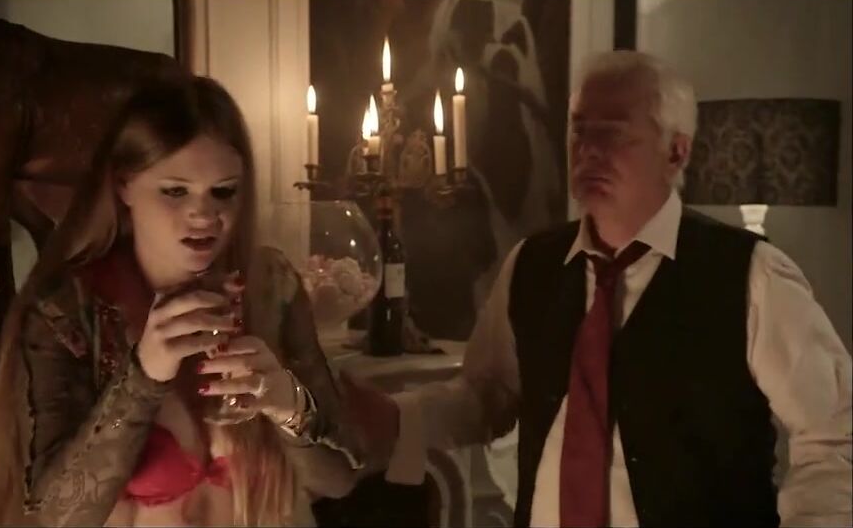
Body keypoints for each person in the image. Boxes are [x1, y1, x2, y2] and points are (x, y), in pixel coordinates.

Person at [342, 50, 852, 527]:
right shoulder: (533, 265)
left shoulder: (750, 276)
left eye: (611, 134)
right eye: (579, 130)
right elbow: (485, 396)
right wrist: (399, 418)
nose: (587, 150)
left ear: (676, 152)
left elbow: (836, 435)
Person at [0, 76, 363, 527]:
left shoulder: (269, 287)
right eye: (176, 191)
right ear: (124, 185)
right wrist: (143, 377)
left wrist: (287, 403)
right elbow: (54, 516)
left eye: (223, 191)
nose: (203, 214)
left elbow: (340, 479)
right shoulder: (67, 311)